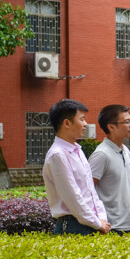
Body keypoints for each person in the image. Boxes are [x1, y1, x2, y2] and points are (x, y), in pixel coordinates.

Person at [42, 99, 110, 235]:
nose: (86, 124)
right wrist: (97, 223)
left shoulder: (77, 151)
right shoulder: (58, 155)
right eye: (82, 119)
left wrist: (102, 218)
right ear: (67, 123)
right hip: (73, 226)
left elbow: (91, 191)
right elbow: (72, 196)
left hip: (91, 223)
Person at [88, 104, 130, 235]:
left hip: (127, 224)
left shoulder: (125, 151)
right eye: (126, 122)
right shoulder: (101, 154)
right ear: (111, 127)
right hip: (109, 226)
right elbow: (87, 190)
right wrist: (97, 221)